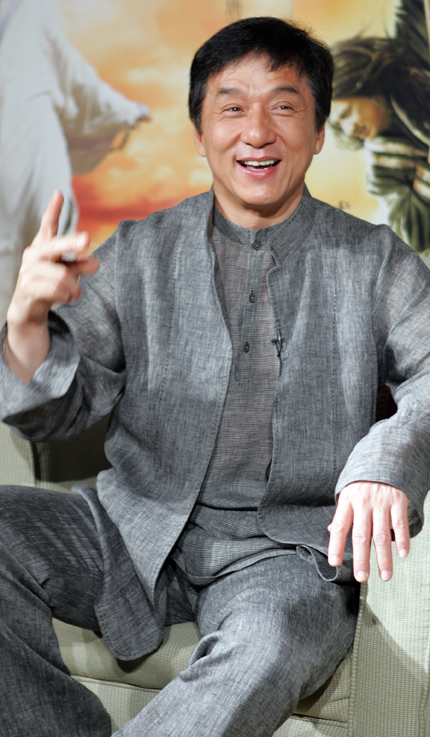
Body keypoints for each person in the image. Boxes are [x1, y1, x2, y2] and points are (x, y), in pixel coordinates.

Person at [0, 15, 429, 737]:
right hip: (133, 524)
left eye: (284, 106)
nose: (257, 131)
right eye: (232, 107)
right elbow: (59, 412)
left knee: (270, 642)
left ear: (318, 132)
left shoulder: (377, 261)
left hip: (289, 551)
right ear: (200, 133)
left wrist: (383, 465)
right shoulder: (138, 250)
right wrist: (25, 325)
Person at [0, 0, 150, 323]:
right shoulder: (32, 12)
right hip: (30, 141)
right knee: (47, 250)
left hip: (21, 143)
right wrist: (127, 111)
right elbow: (76, 79)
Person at [330, 0, 430, 253]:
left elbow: (409, 7)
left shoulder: (408, 57)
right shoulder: (381, 170)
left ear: (362, 86)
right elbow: (413, 237)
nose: (349, 130)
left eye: (346, 114)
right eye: (340, 126)